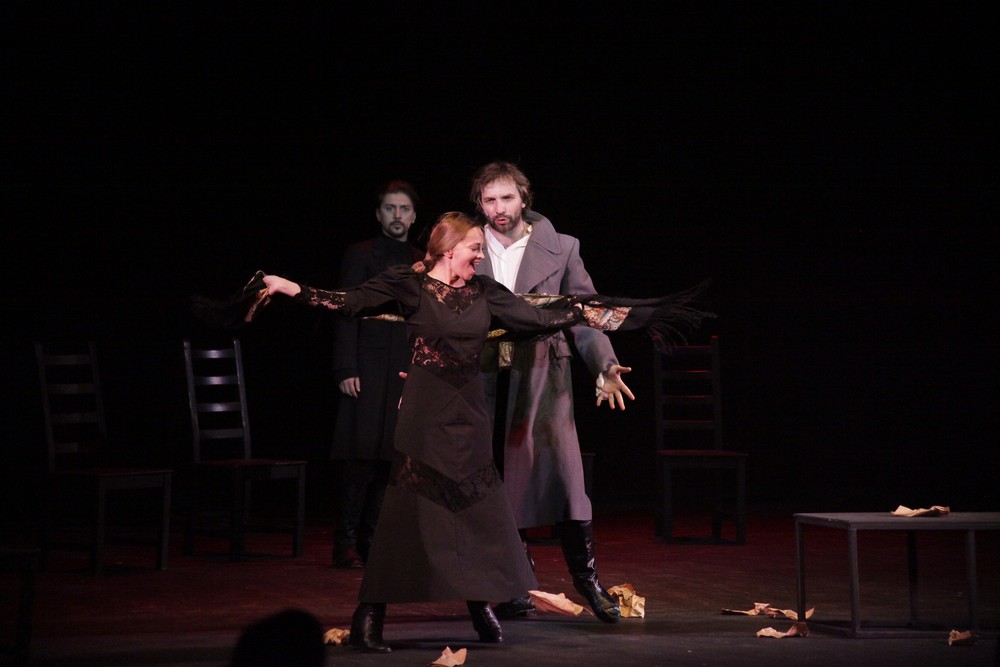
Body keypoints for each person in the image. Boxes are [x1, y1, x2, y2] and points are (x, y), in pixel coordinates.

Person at [260, 212, 587, 653]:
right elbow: (349, 302)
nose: (481, 255)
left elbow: (534, 318)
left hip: (470, 414)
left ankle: (479, 604)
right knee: (408, 514)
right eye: (475, 247)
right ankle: (370, 614)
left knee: (477, 513)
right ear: (449, 249)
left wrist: (587, 311)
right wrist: (292, 288)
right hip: (424, 414)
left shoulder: (485, 290)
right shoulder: (409, 285)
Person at [470, 160, 631, 623]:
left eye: (507, 197)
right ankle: (514, 585)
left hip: (542, 376)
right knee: (496, 482)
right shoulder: (469, 244)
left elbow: (586, 313)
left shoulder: (561, 247)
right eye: (489, 199)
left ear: (524, 198)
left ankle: (588, 582)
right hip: (483, 376)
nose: (499, 208)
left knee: (566, 480)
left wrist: (604, 365)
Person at [329, 179, 424, 569]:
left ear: (414, 216)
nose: (397, 215)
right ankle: (346, 541)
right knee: (361, 455)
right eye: (390, 208)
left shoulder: (422, 259)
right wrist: (346, 366)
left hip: (402, 362)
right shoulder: (360, 254)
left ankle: (373, 540)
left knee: (391, 457)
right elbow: (345, 309)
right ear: (378, 214)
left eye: (404, 209)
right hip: (366, 363)